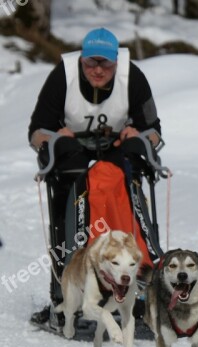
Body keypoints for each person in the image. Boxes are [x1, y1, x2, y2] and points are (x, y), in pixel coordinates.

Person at [28, 28, 163, 326]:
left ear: (117, 62)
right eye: (91, 63)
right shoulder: (63, 76)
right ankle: (66, 290)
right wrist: (53, 136)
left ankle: (140, 282)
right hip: (72, 152)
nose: (98, 70)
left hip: (115, 149)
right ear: (81, 61)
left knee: (124, 171)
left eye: (105, 64)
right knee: (73, 169)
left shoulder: (133, 77)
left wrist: (139, 134)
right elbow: (37, 130)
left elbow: (154, 130)